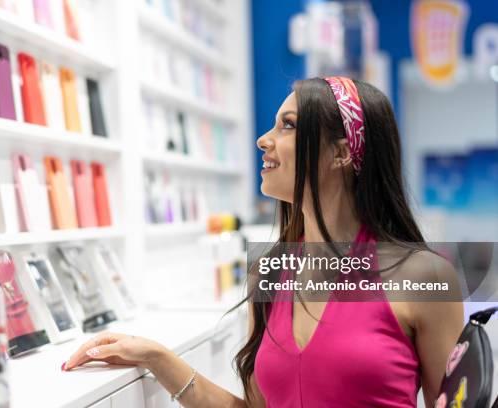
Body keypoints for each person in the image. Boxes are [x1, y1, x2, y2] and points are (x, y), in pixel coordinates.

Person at [63, 77, 464, 407]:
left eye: (287, 125)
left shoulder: (424, 276)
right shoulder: (270, 274)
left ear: (341, 153)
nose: (263, 139)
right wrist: (156, 356)